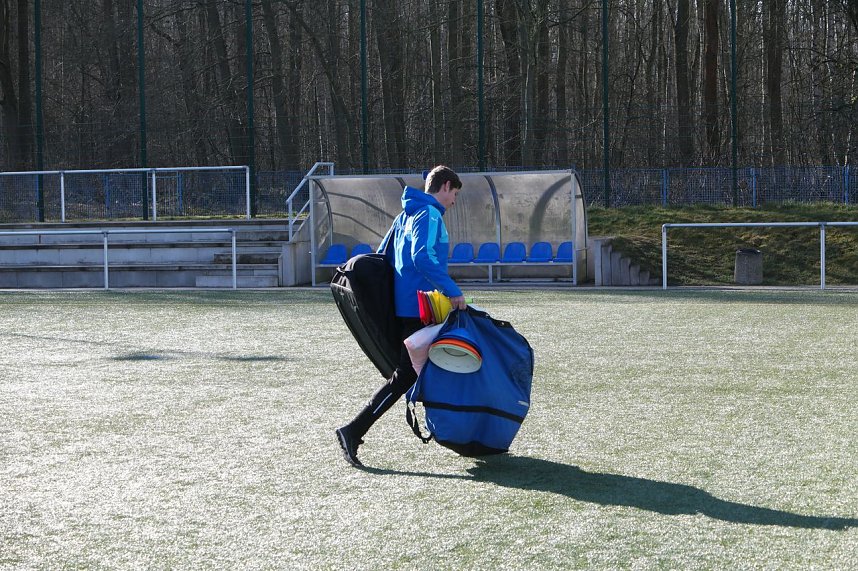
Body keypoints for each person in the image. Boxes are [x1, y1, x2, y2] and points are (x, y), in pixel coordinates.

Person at [336, 165, 467, 467]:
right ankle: (352, 430)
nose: (454, 201)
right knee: (408, 375)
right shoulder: (430, 215)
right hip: (421, 309)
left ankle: (457, 433)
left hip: (404, 308)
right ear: (445, 187)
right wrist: (453, 291)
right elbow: (423, 257)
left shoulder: (404, 215)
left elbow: (384, 255)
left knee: (417, 372)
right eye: (455, 194)